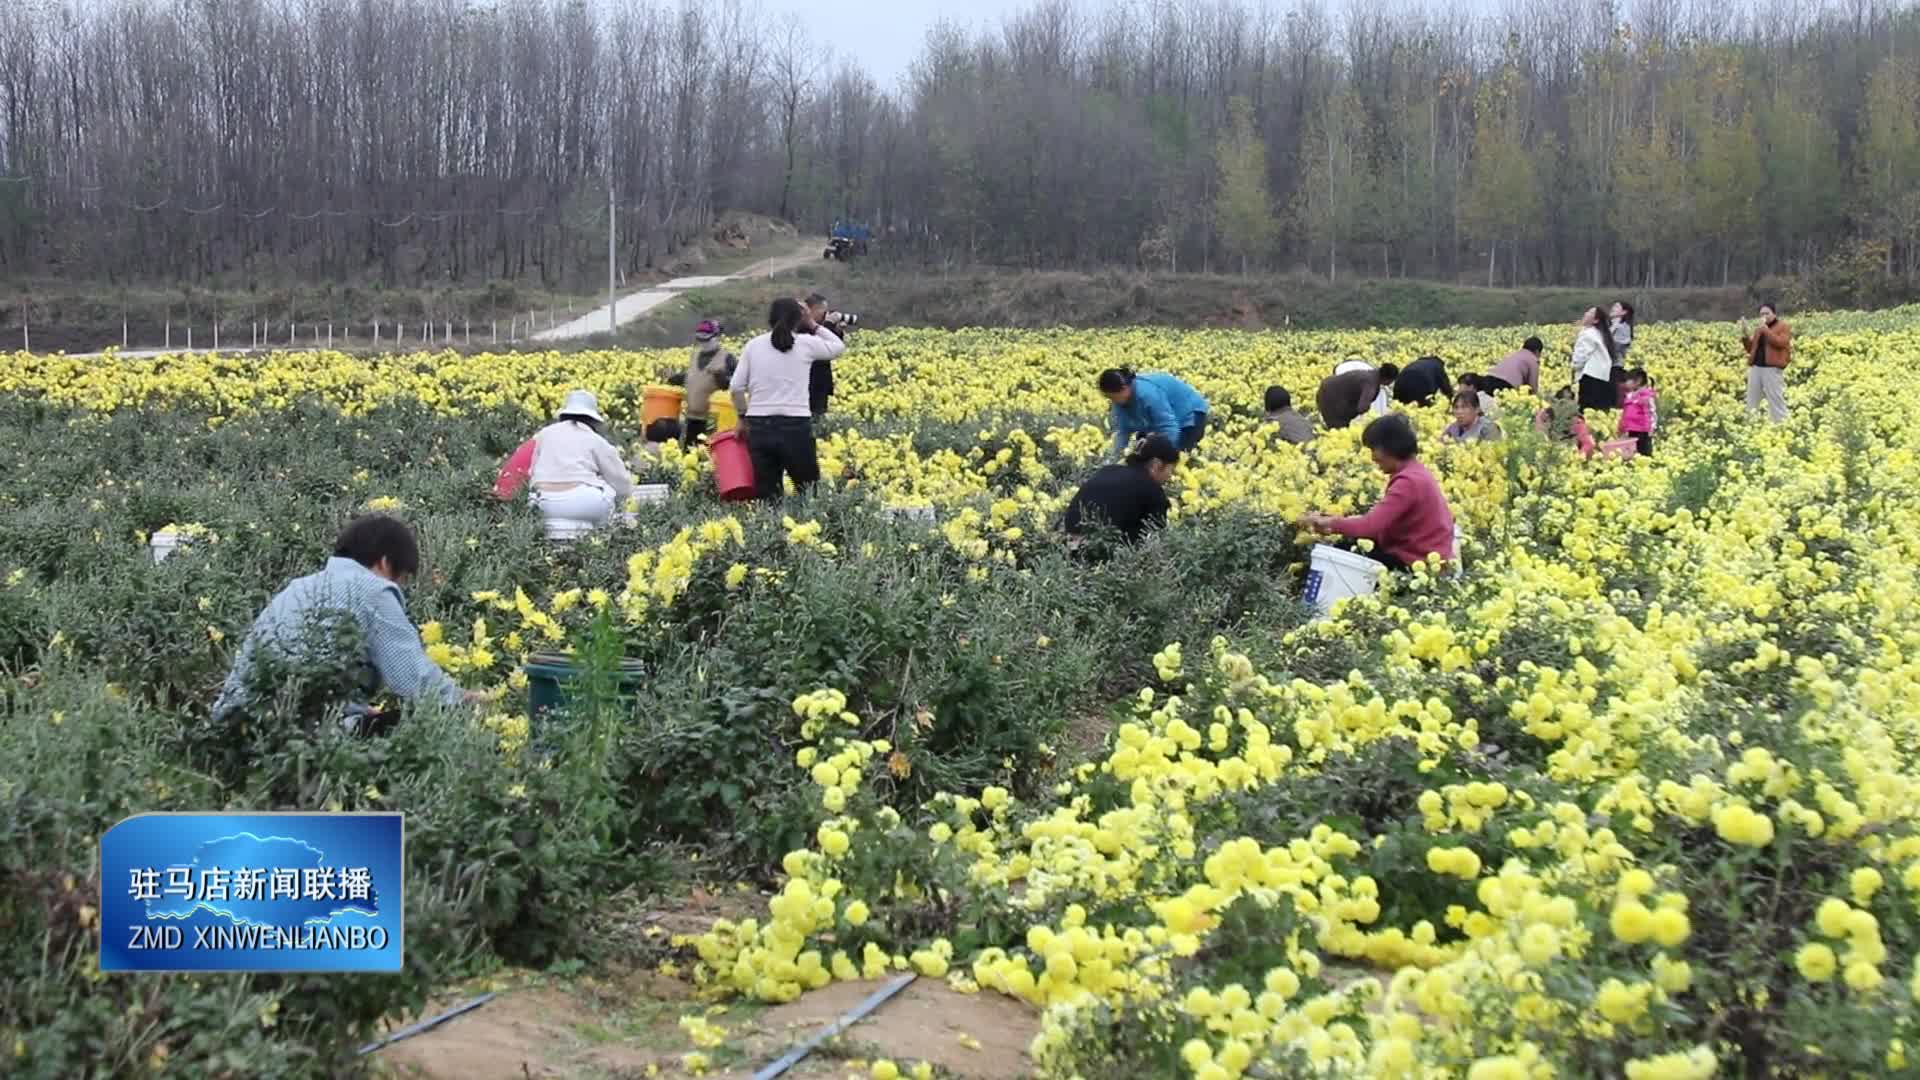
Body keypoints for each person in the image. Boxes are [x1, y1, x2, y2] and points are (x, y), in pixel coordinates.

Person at [211, 515, 486, 728]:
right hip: (301, 739)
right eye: (402, 578)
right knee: (443, 722)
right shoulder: (373, 589)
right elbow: (414, 681)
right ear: (385, 562)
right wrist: (469, 700)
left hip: (233, 726)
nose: (401, 588)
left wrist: (348, 705)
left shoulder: (298, 586)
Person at [1297, 414, 1456, 571]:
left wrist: (1330, 523)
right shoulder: (1415, 472)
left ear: (1391, 446)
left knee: (1340, 556)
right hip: (1420, 557)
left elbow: (1370, 527)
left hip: (1417, 565)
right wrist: (1331, 521)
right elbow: (1378, 522)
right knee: (1347, 548)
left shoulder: (1409, 482)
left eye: (1374, 449)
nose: (1373, 457)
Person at [732, 297, 846, 499]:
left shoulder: (753, 345)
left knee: (767, 495)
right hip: (796, 425)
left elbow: (736, 387)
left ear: (770, 318)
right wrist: (811, 323)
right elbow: (837, 346)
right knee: (807, 491)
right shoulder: (806, 344)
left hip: (759, 425)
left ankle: (772, 529)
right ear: (798, 319)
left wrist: (742, 417)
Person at [526, 389, 635, 529]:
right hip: (583, 504)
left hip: (542, 502)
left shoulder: (544, 434)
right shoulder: (595, 440)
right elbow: (621, 483)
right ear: (593, 420)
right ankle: (597, 541)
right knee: (608, 492)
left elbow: (532, 471)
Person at [1063, 433, 1179, 558]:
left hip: (1069, 547)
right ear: (1156, 464)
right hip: (1100, 555)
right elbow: (1157, 537)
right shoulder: (1152, 490)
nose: (1170, 476)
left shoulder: (1108, 470)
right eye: (1170, 469)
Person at [1097, 368, 1210, 455]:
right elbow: (1123, 430)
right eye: (1108, 397)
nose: (1112, 401)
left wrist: (1165, 453)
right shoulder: (1120, 400)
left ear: (1124, 388)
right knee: (1142, 451)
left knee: (1179, 454)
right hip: (1164, 420)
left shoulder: (1147, 394)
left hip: (1189, 414)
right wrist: (1116, 457)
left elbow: (1169, 428)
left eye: (1112, 397)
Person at [683, 319, 737, 446]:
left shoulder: (727, 358)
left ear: (717, 337)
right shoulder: (695, 355)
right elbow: (693, 377)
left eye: (706, 339)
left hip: (713, 421)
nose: (703, 343)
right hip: (691, 419)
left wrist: (721, 377)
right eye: (700, 340)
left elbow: (736, 386)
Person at [1741, 302, 1792, 423]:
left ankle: (1782, 425)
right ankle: (1751, 424)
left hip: (1772, 368)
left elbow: (1780, 342)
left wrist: (1765, 330)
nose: (1764, 316)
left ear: (1774, 313)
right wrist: (1745, 335)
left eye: (1767, 313)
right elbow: (1751, 348)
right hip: (1756, 367)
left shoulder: (1783, 326)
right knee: (1752, 398)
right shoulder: (1759, 329)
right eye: (1761, 314)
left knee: (1775, 398)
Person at [804, 292, 847, 422]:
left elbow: (833, 349)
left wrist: (837, 331)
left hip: (821, 383)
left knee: (819, 419)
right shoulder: (801, 326)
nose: (826, 314)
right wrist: (827, 325)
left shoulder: (822, 327)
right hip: (807, 384)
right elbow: (817, 344)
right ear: (813, 309)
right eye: (824, 310)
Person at [1316, 363, 1398, 430]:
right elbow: (1362, 407)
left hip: (1325, 389)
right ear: (1388, 379)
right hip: (1332, 400)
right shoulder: (1371, 384)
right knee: (1339, 432)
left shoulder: (1369, 373)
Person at [1573, 306, 1619, 411]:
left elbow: (1580, 358)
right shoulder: (1600, 334)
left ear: (1595, 320)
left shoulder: (1587, 334)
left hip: (1590, 379)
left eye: (1590, 312)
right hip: (1602, 378)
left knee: (1586, 412)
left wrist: (1574, 368)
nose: (1585, 313)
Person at [1535, 385, 1596, 459]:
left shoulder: (1576, 422)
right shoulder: (1546, 416)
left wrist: (1579, 457)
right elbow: (1589, 444)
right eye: (1562, 403)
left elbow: (1588, 444)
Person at [1618, 368, 1656, 456]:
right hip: (1631, 429)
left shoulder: (1645, 396)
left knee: (1644, 452)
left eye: (1628, 380)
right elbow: (1625, 413)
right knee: (1632, 452)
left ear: (1638, 381)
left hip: (1643, 431)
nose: (1626, 383)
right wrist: (1621, 426)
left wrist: (1651, 428)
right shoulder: (1630, 396)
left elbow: (1651, 413)